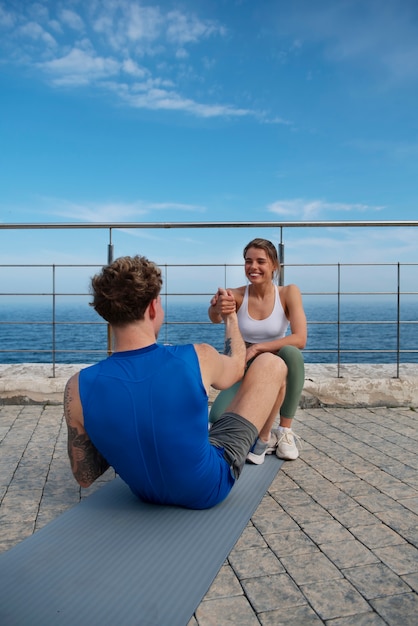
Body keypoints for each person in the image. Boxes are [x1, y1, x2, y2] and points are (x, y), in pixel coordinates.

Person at [64, 255, 288, 510]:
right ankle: (263, 443)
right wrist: (231, 318)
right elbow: (237, 367)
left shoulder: (77, 385)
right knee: (273, 364)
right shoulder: (196, 356)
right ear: (152, 308)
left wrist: (115, 430)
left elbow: (84, 476)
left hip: (144, 492)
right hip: (207, 488)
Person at [208, 238, 307, 461]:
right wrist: (215, 308)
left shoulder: (288, 293)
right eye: (248, 261)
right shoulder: (238, 294)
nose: (253, 267)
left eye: (261, 261)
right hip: (244, 364)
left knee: (292, 354)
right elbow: (214, 317)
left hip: (277, 360)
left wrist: (259, 348)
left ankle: (284, 432)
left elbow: (300, 339)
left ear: (274, 265)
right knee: (216, 417)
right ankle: (260, 432)